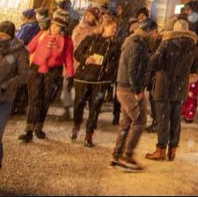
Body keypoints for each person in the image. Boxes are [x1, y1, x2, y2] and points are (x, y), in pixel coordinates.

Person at [146, 19, 198, 162]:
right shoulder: (193, 46)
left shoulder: (167, 43)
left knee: (163, 120)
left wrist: (156, 52)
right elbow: (197, 68)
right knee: (176, 120)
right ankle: (173, 151)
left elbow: (154, 64)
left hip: (164, 86)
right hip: (181, 88)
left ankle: (160, 150)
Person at [19, 10, 75, 142]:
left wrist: (70, 74)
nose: (54, 28)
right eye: (53, 25)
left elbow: (68, 59)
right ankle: (28, 130)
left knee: (45, 100)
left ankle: (38, 127)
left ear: (63, 29)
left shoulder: (67, 41)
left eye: (58, 26)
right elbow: (29, 48)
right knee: (34, 99)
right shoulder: (42, 34)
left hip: (53, 72)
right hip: (36, 70)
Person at [111, 19, 157, 171]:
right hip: (128, 90)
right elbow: (132, 69)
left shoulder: (135, 42)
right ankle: (127, 156)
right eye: (155, 32)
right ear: (149, 31)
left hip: (125, 88)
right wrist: (137, 90)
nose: (156, 35)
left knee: (126, 122)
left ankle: (117, 156)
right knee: (139, 121)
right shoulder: (137, 45)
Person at [71, 18, 120, 147]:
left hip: (100, 80)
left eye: (115, 28)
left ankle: (89, 134)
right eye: (112, 27)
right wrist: (86, 58)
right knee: (79, 104)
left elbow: (116, 62)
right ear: (104, 27)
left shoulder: (115, 45)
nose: (114, 30)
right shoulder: (90, 39)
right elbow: (77, 53)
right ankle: (76, 125)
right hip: (83, 77)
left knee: (95, 108)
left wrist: (109, 71)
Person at [0, 21, 29, 170]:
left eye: (4, 35)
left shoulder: (19, 51)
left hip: (4, 99)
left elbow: (24, 75)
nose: (1, 38)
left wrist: (7, 85)